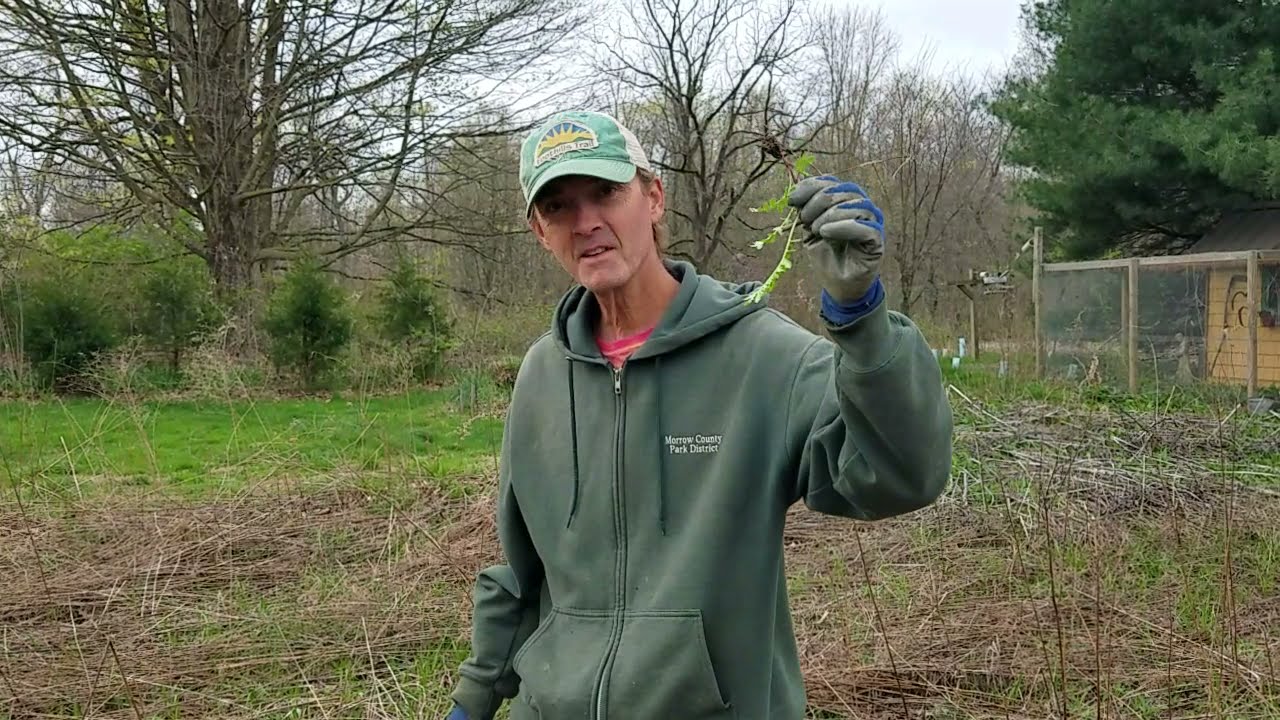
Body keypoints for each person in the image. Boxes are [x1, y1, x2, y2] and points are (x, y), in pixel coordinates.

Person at [444, 110, 953, 720]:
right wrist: (472, 702)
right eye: (558, 207)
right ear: (538, 230)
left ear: (653, 196)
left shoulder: (764, 357)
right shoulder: (542, 375)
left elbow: (902, 476)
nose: (586, 223)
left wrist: (862, 319)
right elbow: (522, 573)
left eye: (606, 192)